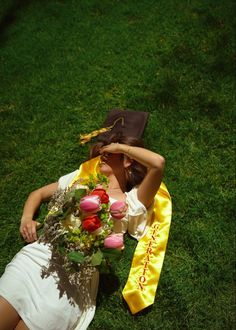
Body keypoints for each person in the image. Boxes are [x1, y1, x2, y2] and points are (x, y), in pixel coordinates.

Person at [0, 133, 165, 330]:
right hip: (36, 259)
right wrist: (27, 219)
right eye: (103, 149)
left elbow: (158, 163)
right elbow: (39, 194)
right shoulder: (80, 179)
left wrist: (121, 148)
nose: (103, 152)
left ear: (128, 160)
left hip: (73, 279)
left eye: (109, 150)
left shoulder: (131, 202)